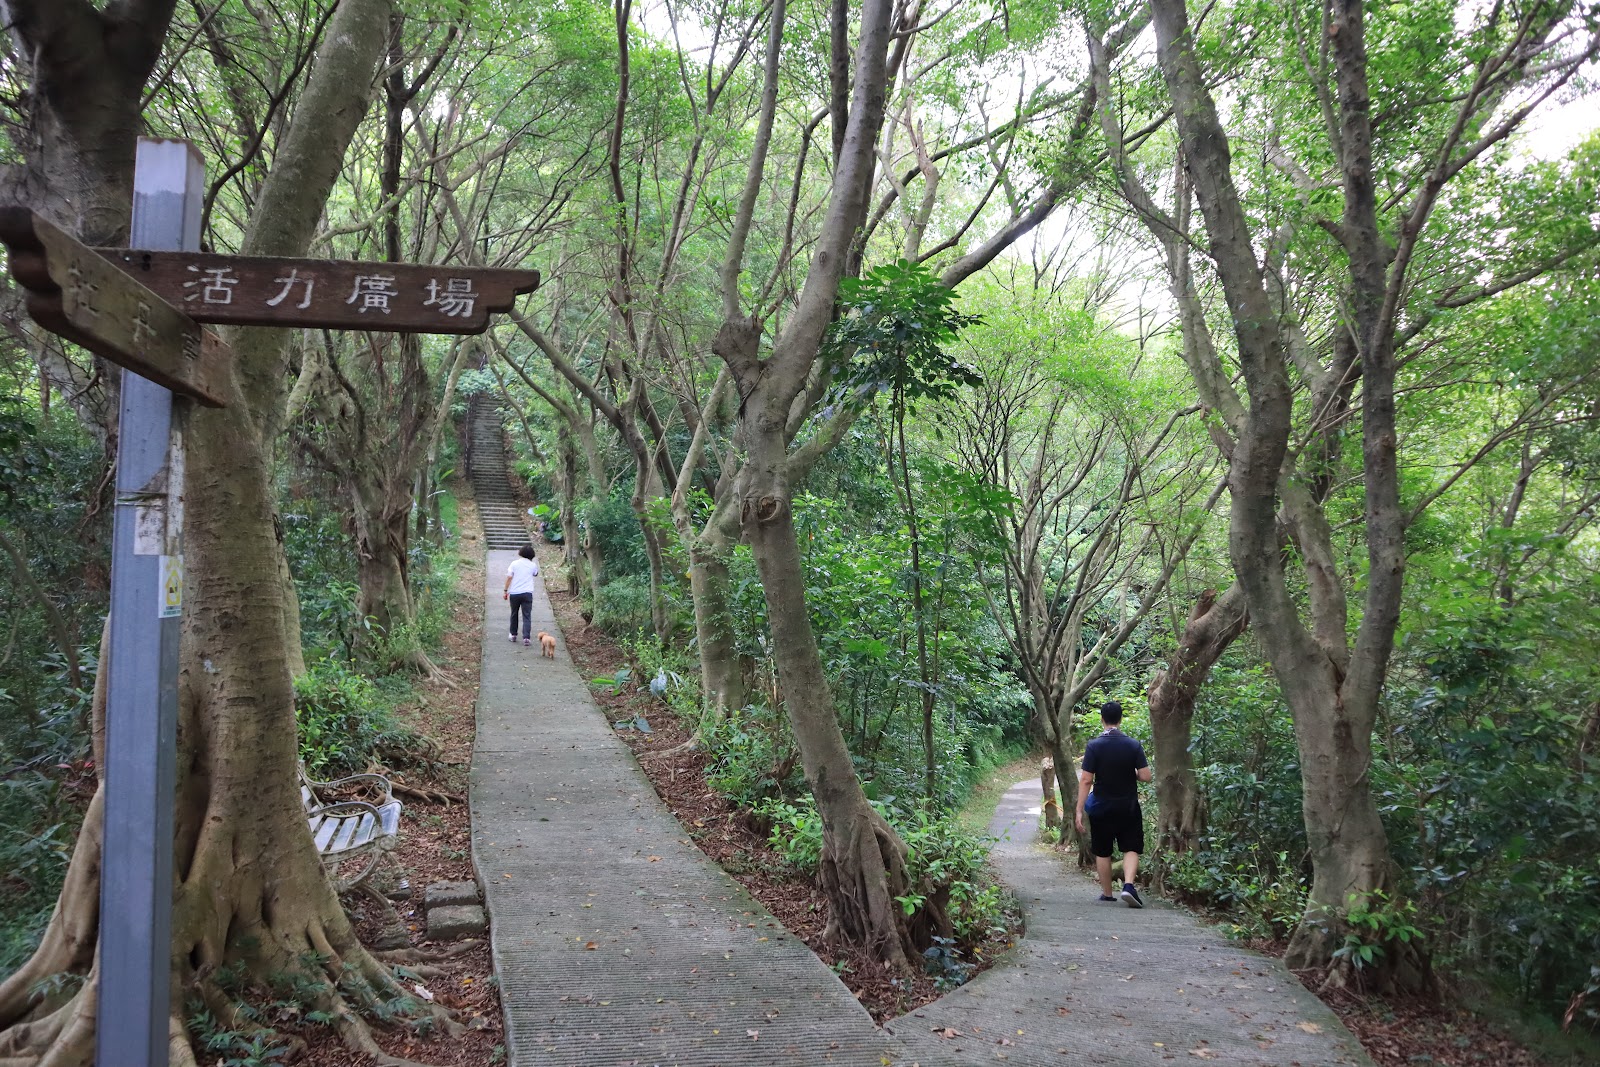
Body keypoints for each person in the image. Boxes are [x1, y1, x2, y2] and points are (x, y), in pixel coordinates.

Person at [1075, 700, 1152, 908]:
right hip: (1128, 807)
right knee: (1131, 847)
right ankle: (1128, 886)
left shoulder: (1094, 746)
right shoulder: (1133, 745)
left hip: (1102, 807)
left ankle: (1107, 894)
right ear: (1120, 719)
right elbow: (1146, 776)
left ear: (1102, 719)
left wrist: (1079, 810)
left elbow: (1086, 780)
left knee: (1103, 851)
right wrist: (1131, 773)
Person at [502, 545, 540, 646]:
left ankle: (513, 634)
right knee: (527, 615)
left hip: (515, 593)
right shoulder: (533, 565)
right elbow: (535, 574)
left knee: (514, 613)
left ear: (521, 553)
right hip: (527, 593)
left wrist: (505, 590)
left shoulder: (514, 564)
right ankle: (526, 637)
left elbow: (509, 577)